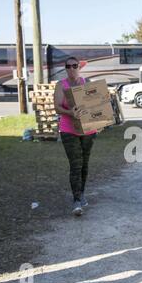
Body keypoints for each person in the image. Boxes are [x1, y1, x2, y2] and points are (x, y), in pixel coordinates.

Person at [54, 57, 97, 216]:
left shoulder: (86, 83)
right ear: (65, 68)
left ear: (79, 67)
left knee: (84, 163)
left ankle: (82, 192)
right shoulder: (61, 85)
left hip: (88, 130)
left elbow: (96, 104)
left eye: (74, 66)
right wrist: (70, 113)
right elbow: (57, 107)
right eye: (68, 66)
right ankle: (77, 200)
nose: (71, 69)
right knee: (76, 164)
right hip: (68, 129)